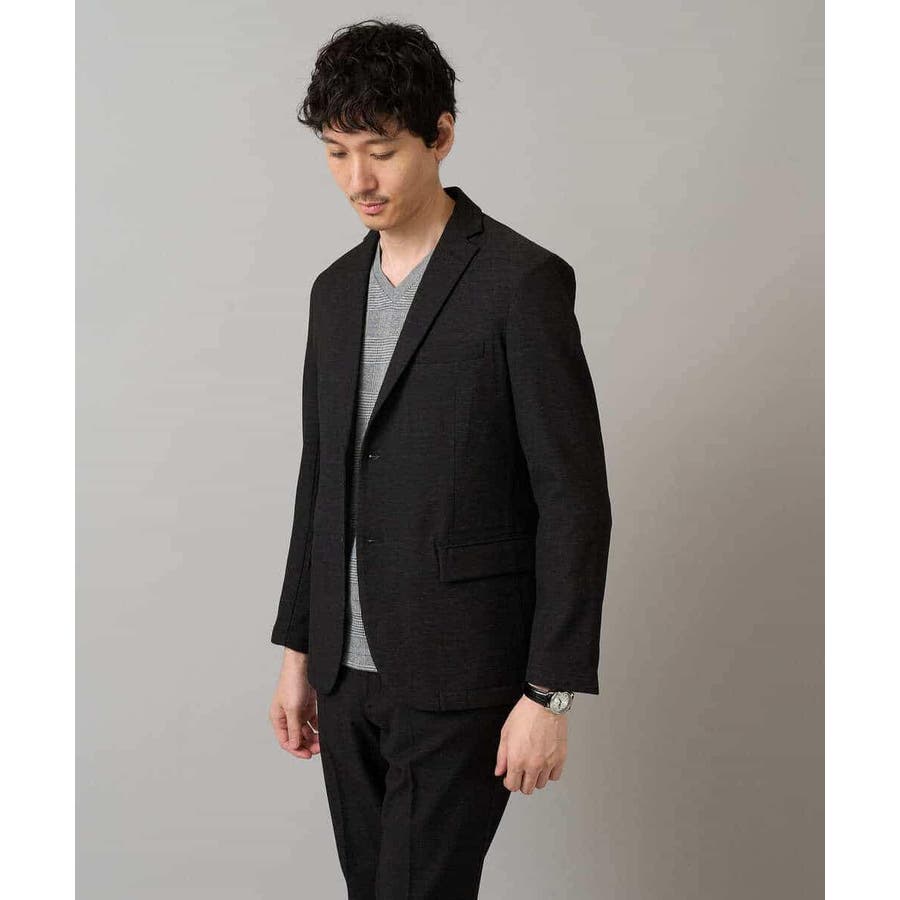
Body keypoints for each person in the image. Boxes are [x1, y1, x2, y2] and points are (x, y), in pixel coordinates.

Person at [268, 18, 612, 899]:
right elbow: (322, 478)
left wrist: (551, 692)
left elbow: (572, 498)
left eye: (381, 151)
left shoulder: (520, 283)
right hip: (344, 675)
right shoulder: (333, 293)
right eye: (337, 153)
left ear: (441, 135)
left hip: (461, 674)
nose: (358, 180)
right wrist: (298, 651)